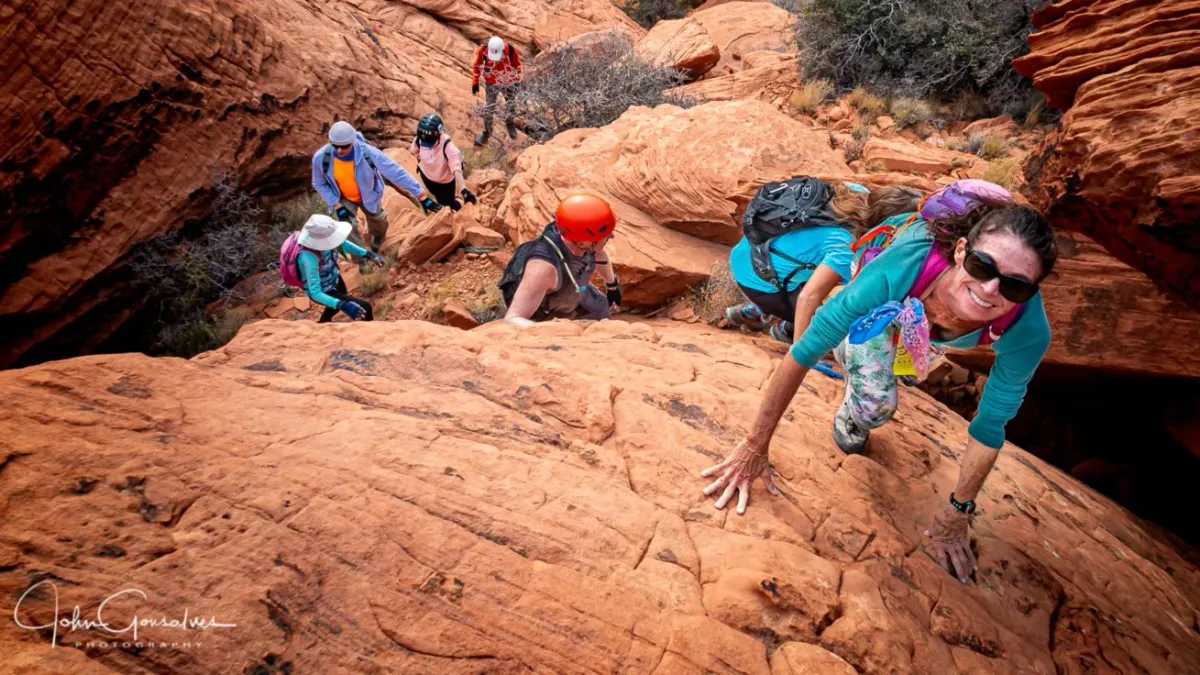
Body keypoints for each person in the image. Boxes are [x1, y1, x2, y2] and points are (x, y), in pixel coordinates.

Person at [700, 201, 1057, 585]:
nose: (990, 289)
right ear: (960, 251)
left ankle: (808, 332)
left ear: (1031, 291)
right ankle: (847, 368)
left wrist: (958, 512)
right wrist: (755, 446)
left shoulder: (1027, 329)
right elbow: (808, 348)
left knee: (908, 369)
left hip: (919, 322)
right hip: (886, 303)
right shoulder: (909, 262)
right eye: (982, 266)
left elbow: (991, 424)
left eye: (1015, 285)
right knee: (875, 406)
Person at [726, 183, 923, 343]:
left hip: (748, 251)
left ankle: (757, 310)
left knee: (825, 268)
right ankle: (783, 326)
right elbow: (808, 298)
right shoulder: (845, 246)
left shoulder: (856, 192)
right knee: (843, 311)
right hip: (755, 281)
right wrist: (799, 354)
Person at [311, 121, 442, 258]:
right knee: (347, 228)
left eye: (344, 146)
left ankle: (377, 238)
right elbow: (319, 183)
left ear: (352, 141)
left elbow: (396, 172)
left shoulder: (368, 153)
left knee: (379, 221)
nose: (339, 150)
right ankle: (363, 260)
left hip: (369, 194)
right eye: (335, 146)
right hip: (342, 197)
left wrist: (421, 196)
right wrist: (336, 204)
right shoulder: (321, 158)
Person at [499, 194, 621, 327]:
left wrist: (612, 285)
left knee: (600, 304)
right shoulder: (543, 269)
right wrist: (556, 333)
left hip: (573, 285)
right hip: (545, 306)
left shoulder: (576, 234)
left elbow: (598, 254)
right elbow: (513, 318)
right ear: (582, 243)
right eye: (606, 236)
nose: (612, 236)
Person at [293, 214, 385, 323]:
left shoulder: (326, 239)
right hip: (324, 290)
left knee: (339, 300)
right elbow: (315, 293)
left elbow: (343, 243)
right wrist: (342, 305)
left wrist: (368, 254)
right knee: (365, 308)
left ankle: (323, 323)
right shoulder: (308, 257)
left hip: (334, 277)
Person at [409, 113, 476, 211]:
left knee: (448, 202)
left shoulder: (448, 146)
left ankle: (460, 214)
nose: (426, 145)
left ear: (439, 135)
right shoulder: (420, 139)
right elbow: (413, 151)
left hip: (444, 182)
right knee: (437, 198)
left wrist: (464, 191)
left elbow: (456, 168)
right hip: (427, 177)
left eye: (430, 143)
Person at [471, 36, 523, 145]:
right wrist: (475, 82)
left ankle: (510, 123)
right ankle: (486, 134)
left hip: (508, 81)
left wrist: (518, 80)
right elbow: (477, 65)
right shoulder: (483, 50)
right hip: (491, 82)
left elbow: (517, 65)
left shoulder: (510, 50)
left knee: (511, 105)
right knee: (489, 109)